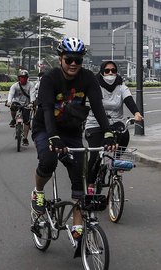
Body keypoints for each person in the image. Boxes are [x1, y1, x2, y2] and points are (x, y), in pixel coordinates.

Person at [30, 37, 117, 242]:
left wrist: (108, 133)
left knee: (80, 174)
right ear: (60, 58)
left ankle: (77, 227)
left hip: (71, 132)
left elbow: (97, 106)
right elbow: (48, 111)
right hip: (46, 128)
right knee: (48, 161)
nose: (73, 64)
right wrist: (53, 137)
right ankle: (38, 191)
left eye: (78, 60)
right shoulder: (50, 79)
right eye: (69, 59)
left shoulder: (87, 78)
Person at [85, 61, 144, 190]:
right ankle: (90, 184)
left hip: (115, 123)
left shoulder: (121, 86)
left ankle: (111, 165)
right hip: (95, 123)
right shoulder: (95, 86)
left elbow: (129, 100)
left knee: (123, 136)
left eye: (113, 70)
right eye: (107, 71)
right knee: (95, 156)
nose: (110, 73)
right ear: (101, 72)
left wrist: (137, 113)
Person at [6, 70, 35, 146]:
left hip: (27, 104)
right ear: (18, 78)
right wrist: (9, 102)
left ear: (27, 78)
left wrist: (32, 103)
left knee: (27, 121)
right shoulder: (15, 86)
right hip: (17, 102)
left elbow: (32, 94)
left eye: (24, 77)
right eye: (21, 77)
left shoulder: (31, 85)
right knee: (12, 107)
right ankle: (13, 119)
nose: (23, 79)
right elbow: (11, 94)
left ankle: (25, 138)